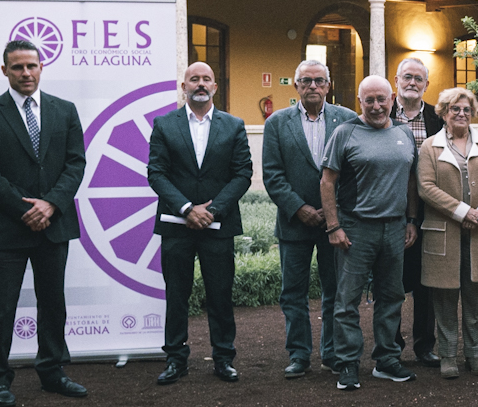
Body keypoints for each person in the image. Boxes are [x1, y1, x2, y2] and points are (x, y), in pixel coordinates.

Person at [0, 39, 88, 407]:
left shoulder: (64, 110)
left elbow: (75, 164)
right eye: (18, 67)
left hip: (54, 224)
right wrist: (26, 209)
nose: (26, 73)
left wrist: (51, 204)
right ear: (4, 70)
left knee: (53, 302)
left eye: (32, 66)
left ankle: (52, 372)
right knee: (0, 308)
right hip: (7, 227)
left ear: (41, 67)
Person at [147, 61, 252, 386]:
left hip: (218, 226)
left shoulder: (233, 125)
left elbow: (243, 174)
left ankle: (223, 358)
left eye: (207, 79)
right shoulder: (165, 125)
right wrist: (187, 208)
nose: (200, 84)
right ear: (184, 86)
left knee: (220, 294)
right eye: (194, 79)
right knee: (176, 294)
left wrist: (214, 210)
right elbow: (157, 173)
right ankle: (176, 359)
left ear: (215, 87)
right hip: (176, 225)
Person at [320, 74, 421, 390]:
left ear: (392, 98)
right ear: (359, 102)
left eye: (382, 99)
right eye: (369, 100)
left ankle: (387, 359)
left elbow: (410, 182)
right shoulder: (345, 133)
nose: (377, 106)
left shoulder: (404, 134)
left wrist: (411, 220)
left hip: (394, 227)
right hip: (355, 228)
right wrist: (333, 226)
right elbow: (327, 182)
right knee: (347, 300)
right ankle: (348, 363)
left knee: (391, 296)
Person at [262, 58, 356, 379]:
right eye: (306, 81)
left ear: (329, 85)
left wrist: (333, 213)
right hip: (294, 223)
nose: (313, 86)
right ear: (296, 85)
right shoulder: (277, 123)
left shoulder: (348, 120)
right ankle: (299, 354)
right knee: (293, 293)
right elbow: (272, 176)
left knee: (336, 291)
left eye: (319, 81)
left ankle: (331, 352)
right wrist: (299, 208)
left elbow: (354, 173)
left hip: (336, 224)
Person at [416, 87, 478, 379]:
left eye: (467, 109)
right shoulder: (430, 146)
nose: (461, 114)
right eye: (455, 109)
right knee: (444, 297)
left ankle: (474, 354)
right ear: (443, 113)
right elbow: (426, 187)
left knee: (475, 297)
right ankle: (447, 356)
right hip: (444, 231)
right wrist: (461, 211)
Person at [390, 56, 444, 368]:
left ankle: (425, 345)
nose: (412, 83)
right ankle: (392, 344)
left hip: (431, 210)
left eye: (418, 79)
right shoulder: (381, 111)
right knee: (392, 281)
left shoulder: (439, 118)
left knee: (427, 281)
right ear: (396, 80)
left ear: (426, 84)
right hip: (390, 208)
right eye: (407, 77)